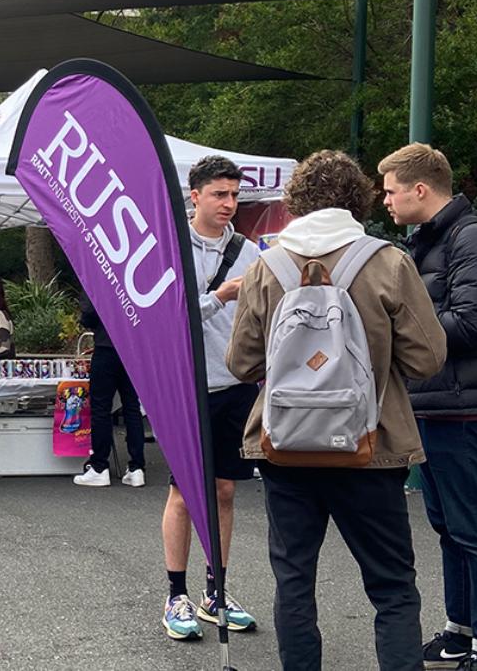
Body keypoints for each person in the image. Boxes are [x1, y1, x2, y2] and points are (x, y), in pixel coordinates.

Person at [227, 149, 446, 670]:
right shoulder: (388, 262)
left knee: (294, 582)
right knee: (392, 587)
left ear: (295, 201)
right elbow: (428, 357)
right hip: (370, 448)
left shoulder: (267, 267)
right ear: (358, 199)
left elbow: (241, 363)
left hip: (285, 448)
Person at [380, 143, 477, 670]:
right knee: (448, 527)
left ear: (421, 189)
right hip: (436, 404)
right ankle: (459, 630)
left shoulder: (471, 237)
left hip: (464, 409)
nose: (386, 200)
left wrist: (393, 330)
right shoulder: (425, 241)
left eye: (392, 190)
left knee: (473, 529)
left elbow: (469, 323)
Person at [159, 156, 262, 641]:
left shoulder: (248, 250)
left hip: (237, 384)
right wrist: (219, 296)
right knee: (183, 492)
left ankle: (214, 590)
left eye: (235, 195)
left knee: (224, 491)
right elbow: (166, 316)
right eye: (220, 194)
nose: (229, 204)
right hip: (186, 387)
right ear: (194, 195)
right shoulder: (170, 244)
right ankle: (174, 592)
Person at [72, 291, 147, 488]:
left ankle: (99, 466)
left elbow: (88, 313)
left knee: (101, 409)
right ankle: (137, 467)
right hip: (134, 349)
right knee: (132, 408)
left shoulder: (100, 277)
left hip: (106, 346)